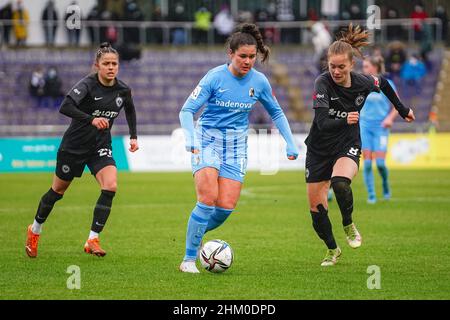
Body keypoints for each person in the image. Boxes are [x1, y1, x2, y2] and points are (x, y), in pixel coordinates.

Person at [178, 23, 299, 273]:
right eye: (242, 56)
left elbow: (276, 112)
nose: (247, 61)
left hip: (236, 146)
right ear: (230, 54)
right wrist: (190, 138)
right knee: (208, 199)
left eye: (252, 57)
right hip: (207, 140)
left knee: (225, 207)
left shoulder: (260, 82)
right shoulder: (214, 77)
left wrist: (290, 141)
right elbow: (187, 110)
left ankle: (197, 232)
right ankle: (189, 260)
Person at [304, 24, 415, 267]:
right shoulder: (322, 83)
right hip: (319, 148)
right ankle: (332, 250)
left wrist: (402, 109)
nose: (335, 71)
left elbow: (383, 84)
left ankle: (348, 223)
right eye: (332, 66)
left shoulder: (364, 82)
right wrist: (345, 117)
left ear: (351, 65)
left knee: (340, 183)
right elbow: (322, 122)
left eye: (341, 66)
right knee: (316, 209)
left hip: (347, 143)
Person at [25, 43, 139, 258]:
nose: (111, 67)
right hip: (74, 147)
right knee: (57, 191)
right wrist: (92, 119)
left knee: (111, 186)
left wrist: (133, 136)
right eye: (106, 63)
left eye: (114, 63)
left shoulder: (123, 90)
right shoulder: (87, 85)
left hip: (100, 146)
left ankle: (92, 239)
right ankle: (35, 230)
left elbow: (130, 109)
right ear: (97, 65)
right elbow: (65, 106)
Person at [360, 56, 398, 204]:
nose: (364, 69)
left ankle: (385, 184)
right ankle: (371, 195)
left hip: (381, 127)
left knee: (380, 164)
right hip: (365, 126)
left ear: (375, 68)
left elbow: (397, 106)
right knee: (368, 163)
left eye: (366, 66)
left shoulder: (387, 84)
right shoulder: (361, 84)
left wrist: (389, 119)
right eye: (363, 66)